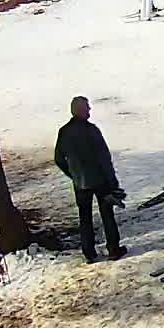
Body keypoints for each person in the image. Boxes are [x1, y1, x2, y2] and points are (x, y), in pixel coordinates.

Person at [54, 97, 126, 263]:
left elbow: (58, 159)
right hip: (100, 180)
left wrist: (73, 174)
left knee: (84, 217)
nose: (89, 111)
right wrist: (112, 182)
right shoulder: (92, 130)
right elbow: (104, 158)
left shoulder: (64, 131)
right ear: (80, 110)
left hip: (80, 183)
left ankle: (89, 253)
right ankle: (113, 249)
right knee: (107, 214)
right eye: (87, 108)